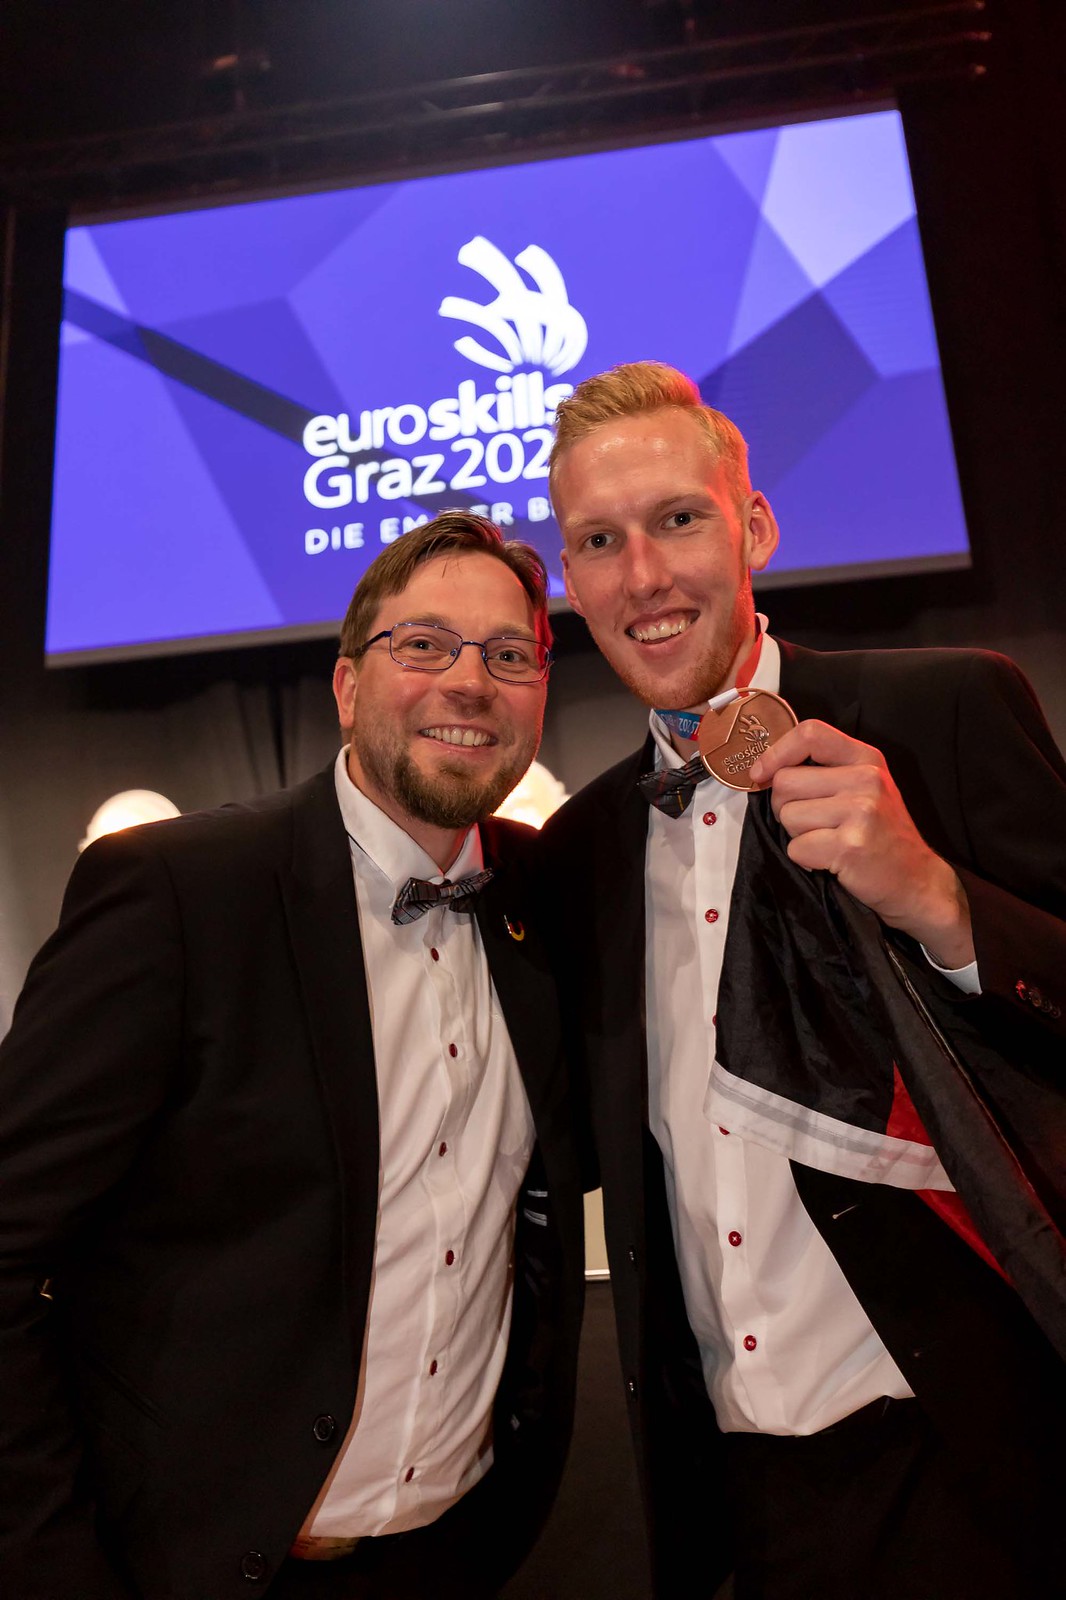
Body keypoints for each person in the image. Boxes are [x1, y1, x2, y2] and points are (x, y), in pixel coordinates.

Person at [540, 362, 1066, 1600]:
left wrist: (937, 898)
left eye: (677, 519)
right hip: (734, 1507)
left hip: (976, 1459)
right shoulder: (585, 848)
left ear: (754, 526)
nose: (644, 577)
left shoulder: (941, 711)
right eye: (598, 542)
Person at [0, 512, 584, 1600]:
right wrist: (50, 1564)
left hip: (457, 1551)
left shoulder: (550, 903)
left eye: (509, 655)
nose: (470, 681)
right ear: (347, 686)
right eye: (423, 645)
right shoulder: (180, 893)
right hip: (190, 1568)